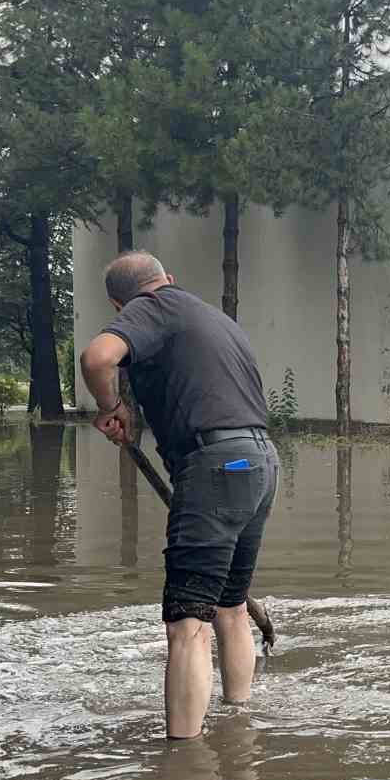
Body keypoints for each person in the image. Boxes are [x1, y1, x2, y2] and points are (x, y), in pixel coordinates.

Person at [79, 251, 279, 740]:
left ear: (118, 301)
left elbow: (97, 357)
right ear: (169, 277)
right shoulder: (213, 316)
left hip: (215, 465)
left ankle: (183, 762)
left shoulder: (150, 308)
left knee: (188, 622)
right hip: (261, 460)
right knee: (230, 606)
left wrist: (111, 405)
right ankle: (239, 723)